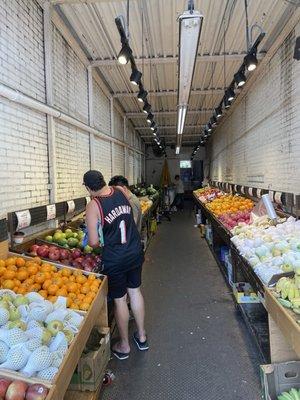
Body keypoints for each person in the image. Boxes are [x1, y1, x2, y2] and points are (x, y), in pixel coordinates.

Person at [83, 170, 148, 360]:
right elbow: (129, 213)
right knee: (135, 291)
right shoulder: (120, 190)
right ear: (104, 181)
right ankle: (142, 337)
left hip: (115, 258)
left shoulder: (93, 205)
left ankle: (125, 345)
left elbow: (94, 242)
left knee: (120, 300)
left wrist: (93, 236)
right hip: (134, 251)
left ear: (88, 188)